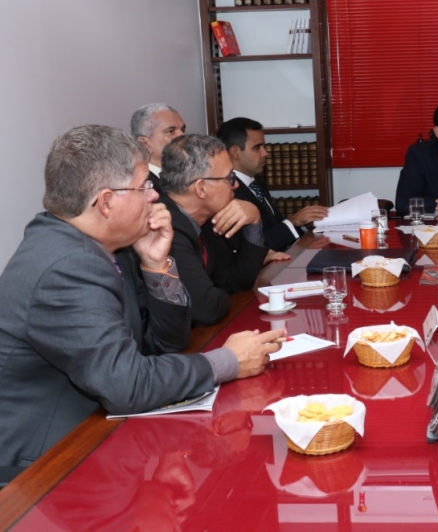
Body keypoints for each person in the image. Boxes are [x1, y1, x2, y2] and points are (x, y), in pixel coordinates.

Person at [0, 125, 283, 468]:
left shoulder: (107, 248)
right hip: (44, 466)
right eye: (144, 187)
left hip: (99, 433)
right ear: (106, 202)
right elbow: (128, 385)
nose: (155, 197)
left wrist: (156, 266)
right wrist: (228, 361)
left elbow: (166, 343)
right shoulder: (68, 265)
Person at [157, 134, 270, 326]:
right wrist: (219, 293)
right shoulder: (166, 228)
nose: (236, 184)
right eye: (229, 178)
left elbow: (237, 281)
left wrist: (254, 221)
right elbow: (207, 308)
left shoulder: (203, 219)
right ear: (201, 188)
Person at [216, 117, 329, 251]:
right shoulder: (227, 192)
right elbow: (254, 246)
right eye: (257, 147)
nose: (265, 153)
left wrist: (305, 225)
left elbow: (274, 227)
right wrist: (293, 221)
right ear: (235, 152)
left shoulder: (256, 182)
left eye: (264, 146)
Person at [130, 103, 187, 190]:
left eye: (183, 130)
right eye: (171, 131)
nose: (182, 136)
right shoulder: (138, 186)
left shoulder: (192, 175)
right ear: (144, 143)